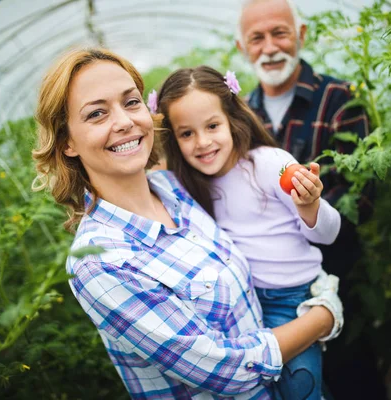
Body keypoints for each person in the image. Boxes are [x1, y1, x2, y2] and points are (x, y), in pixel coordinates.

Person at [31, 47, 342, 400]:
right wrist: (322, 318)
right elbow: (229, 371)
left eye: (131, 102)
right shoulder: (101, 262)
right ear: (67, 141)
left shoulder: (174, 188)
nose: (123, 122)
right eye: (97, 113)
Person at [156, 65, 342, 400]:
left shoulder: (269, 165)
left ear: (232, 119)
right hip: (246, 305)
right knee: (272, 387)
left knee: (301, 384)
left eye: (212, 126)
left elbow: (328, 235)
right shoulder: (190, 185)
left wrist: (310, 205)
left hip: (294, 298)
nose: (203, 142)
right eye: (186, 133)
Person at [236, 1, 386, 399]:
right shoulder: (241, 114)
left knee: (351, 371)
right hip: (269, 286)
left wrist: (292, 225)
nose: (270, 47)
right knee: (296, 382)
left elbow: (361, 191)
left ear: (300, 35)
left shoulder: (338, 97)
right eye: (257, 38)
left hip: (336, 269)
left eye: (279, 33)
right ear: (242, 48)